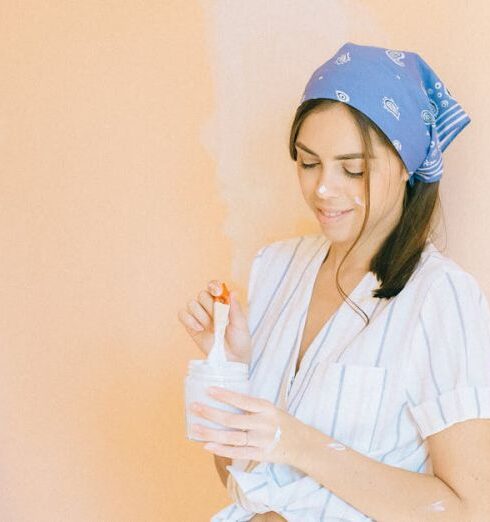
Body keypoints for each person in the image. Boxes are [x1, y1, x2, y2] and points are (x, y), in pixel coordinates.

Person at [178, 42, 490, 521]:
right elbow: (244, 478)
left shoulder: (439, 298)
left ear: (406, 165)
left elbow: (471, 510)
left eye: (354, 169)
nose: (323, 188)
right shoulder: (276, 268)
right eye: (308, 163)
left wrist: (303, 444)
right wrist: (230, 365)